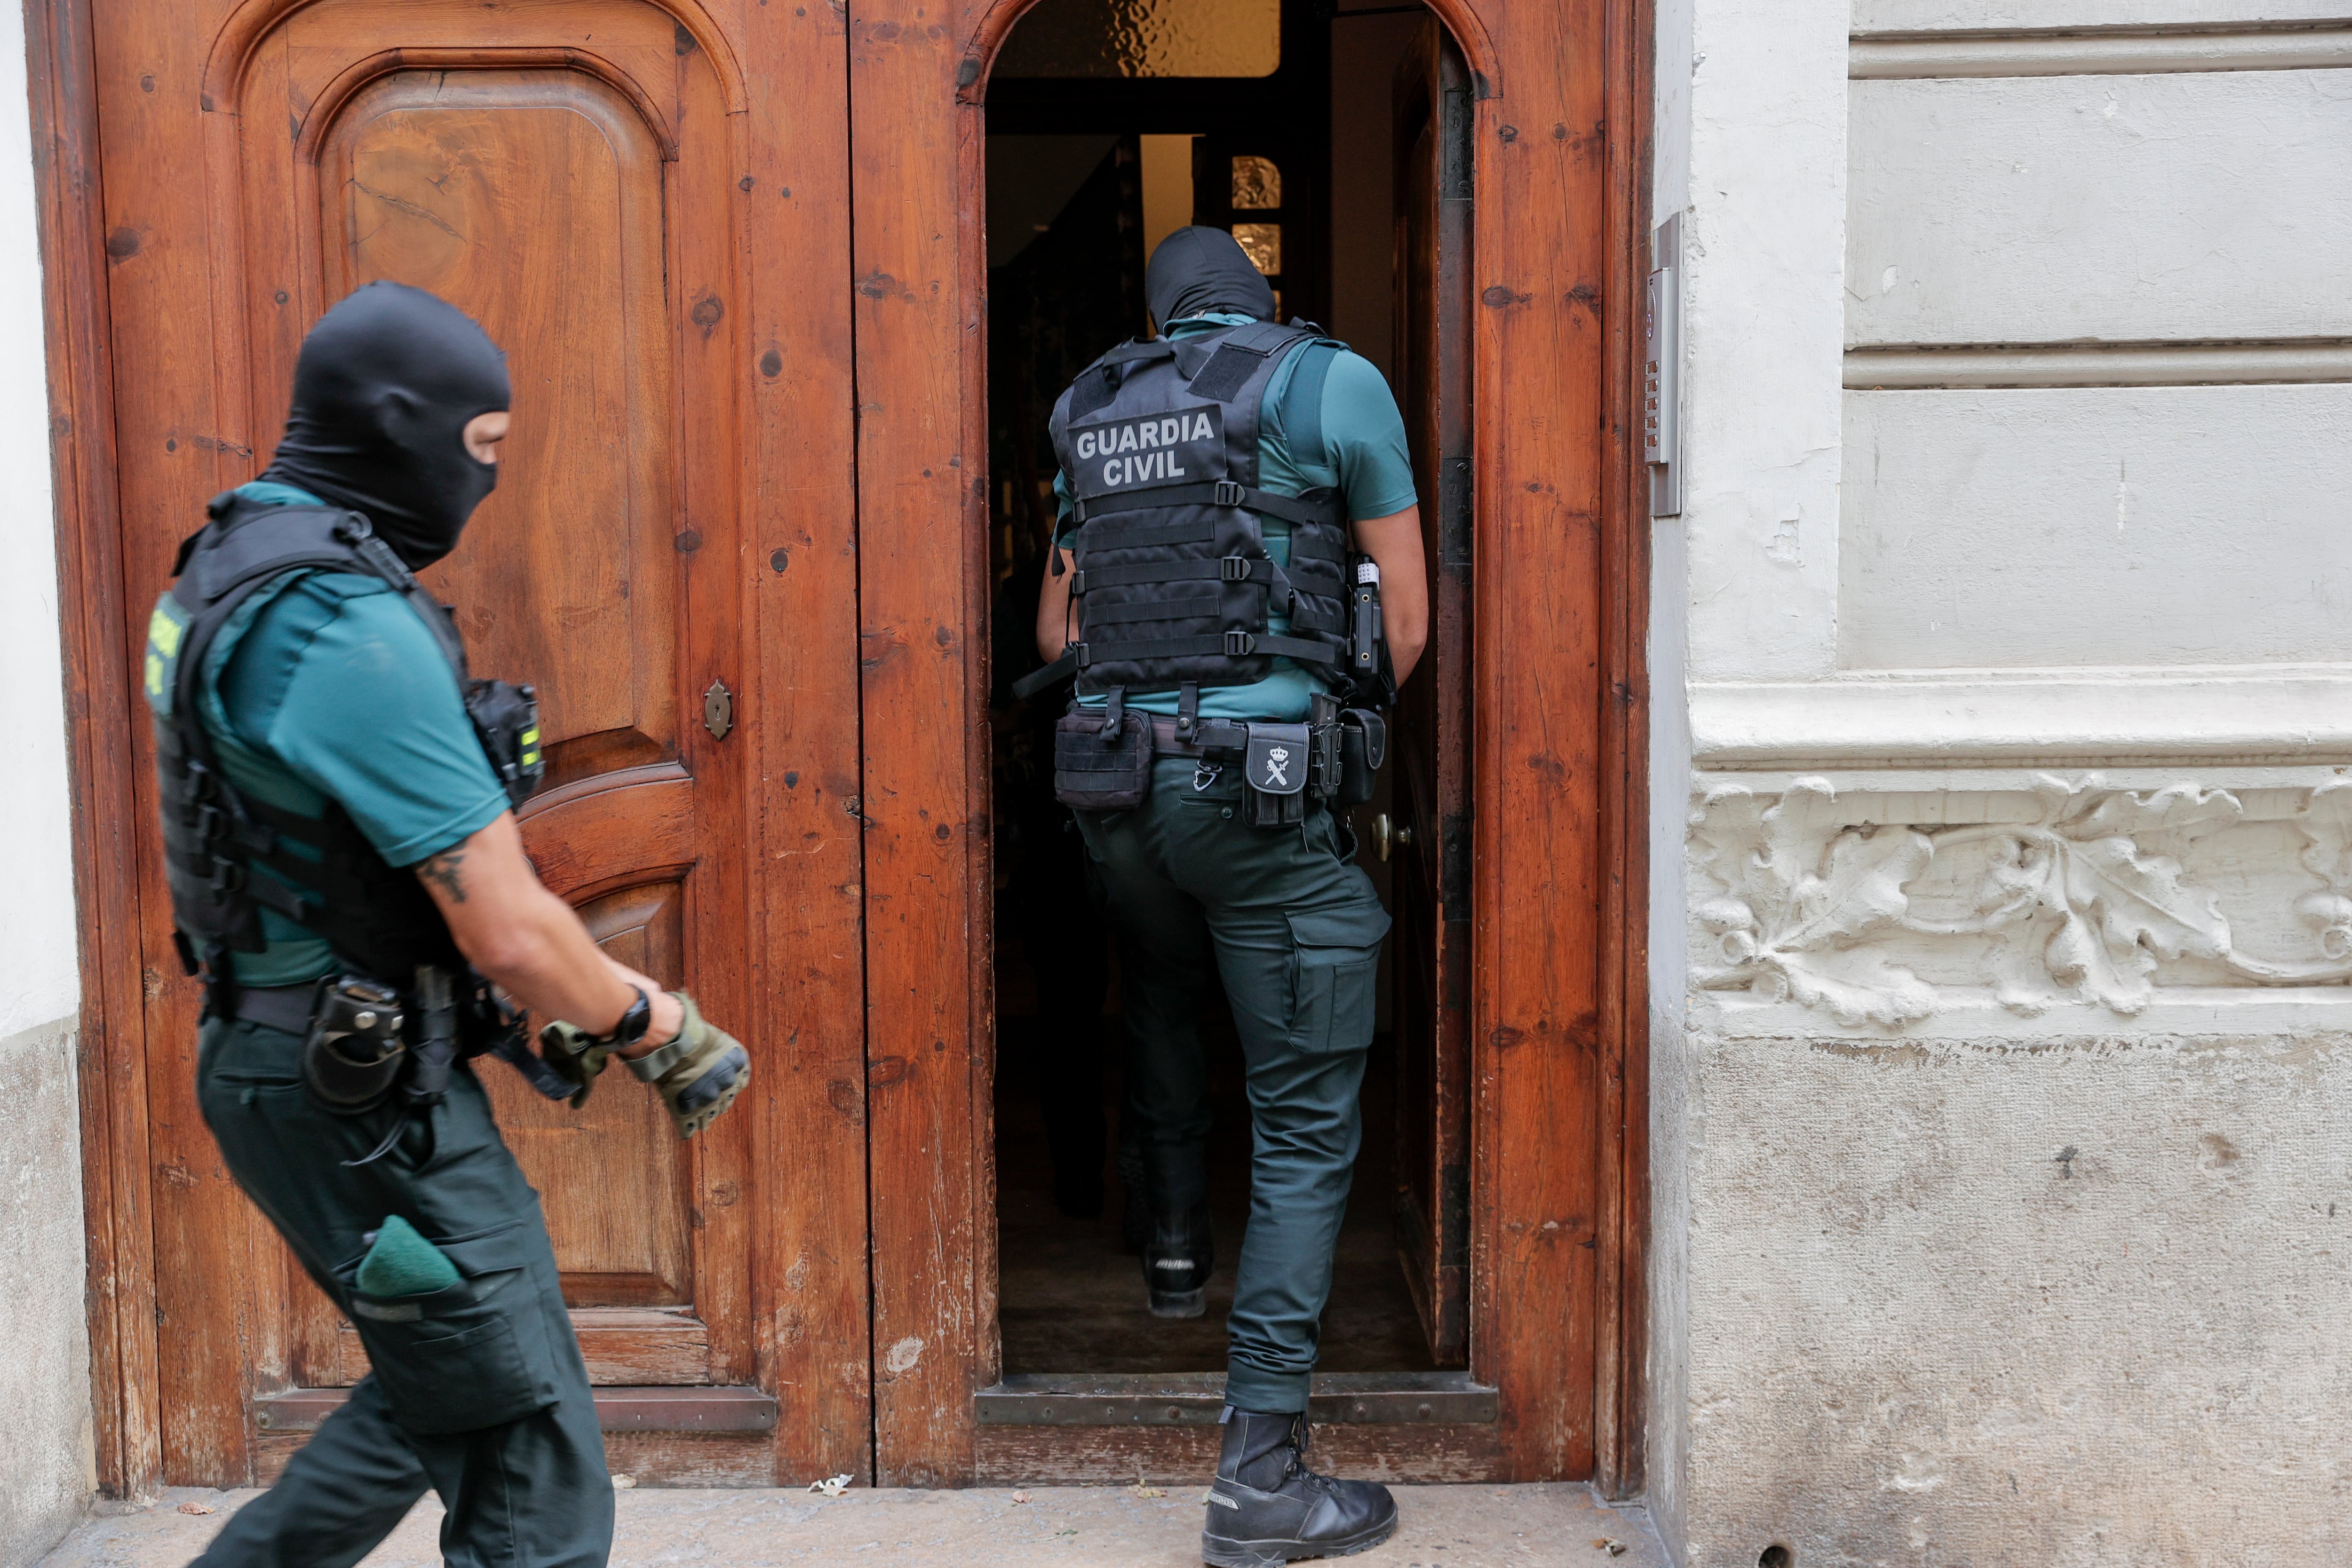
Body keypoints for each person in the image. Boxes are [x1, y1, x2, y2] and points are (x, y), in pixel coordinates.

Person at [143, 282, 751, 1568]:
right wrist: (653, 1021)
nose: (488, 484)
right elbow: (510, 929)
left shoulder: (226, 566)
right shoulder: (342, 624)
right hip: (361, 1098)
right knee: (529, 1461)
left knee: (443, 1387)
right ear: (397, 424)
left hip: (289, 1063)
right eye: (481, 451)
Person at [1024, 228, 1429, 1568]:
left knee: (1159, 984)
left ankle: (1176, 1251)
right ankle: (1263, 1472)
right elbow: (1408, 624)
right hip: (1255, 795)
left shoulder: (1090, 404)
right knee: (1308, 1120)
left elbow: (1055, 640)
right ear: (1261, 302)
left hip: (1115, 791)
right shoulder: (1332, 384)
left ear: (1157, 319)